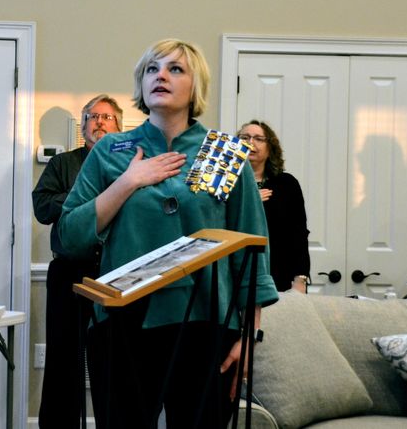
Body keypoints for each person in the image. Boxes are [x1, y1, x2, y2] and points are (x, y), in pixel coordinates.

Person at [58, 39, 279, 429]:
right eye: (152, 69)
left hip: (207, 325)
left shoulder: (225, 151)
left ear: (196, 87)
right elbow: (70, 237)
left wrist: (250, 338)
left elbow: (252, 251)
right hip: (124, 323)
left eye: (176, 69)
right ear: (141, 84)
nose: (161, 75)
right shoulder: (111, 149)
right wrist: (128, 182)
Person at [32, 94, 124, 429]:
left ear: (120, 127)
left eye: (107, 117)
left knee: (112, 357)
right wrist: (87, 200)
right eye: (93, 116)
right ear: (83, 126)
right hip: (69, 271)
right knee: (63, 356)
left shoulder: (130, 165)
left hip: (114, 272)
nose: (100, 122)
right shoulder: (62, 165)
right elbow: (42, 208)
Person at [237, 120, 311, 293]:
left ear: (270, 147)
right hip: (236, 274)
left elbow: (298, 233)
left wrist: (300, 279)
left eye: (259, 139)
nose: (250, 143)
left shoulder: (287, 184)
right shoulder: (226, 184)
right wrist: (250, 202)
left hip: (279, 274)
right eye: (245, 137)